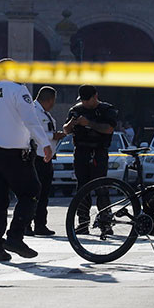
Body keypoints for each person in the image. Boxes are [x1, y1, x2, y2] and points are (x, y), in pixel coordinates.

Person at [0, 59, 54, 262]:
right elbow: (30, 119)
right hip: (15, 154)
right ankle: (15, 236)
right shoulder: (18, 90)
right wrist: (45, 143)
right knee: (31, 191)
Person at [63, 84, 118, 234]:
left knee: (101, 187)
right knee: (82, 188)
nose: (85, 103)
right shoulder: (76, 110)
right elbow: (66, 130)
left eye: (88, 100)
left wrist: (89, 124)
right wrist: (72, 123)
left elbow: (109, 129)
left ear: (95, 96)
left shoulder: (107, 110)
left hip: (98, 152)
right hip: (81, 151)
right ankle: (83, 223)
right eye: (83, 100)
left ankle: (105, 223)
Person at [25, 86, 64, 237]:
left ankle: (40, 224)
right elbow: (33, 133)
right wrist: (53, 136)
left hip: (46, 157)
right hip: (37, 157)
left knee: (44, 193)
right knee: (33, 193)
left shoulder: (43, 112)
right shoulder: (33, 111)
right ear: (49, 99)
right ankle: (27, 224)